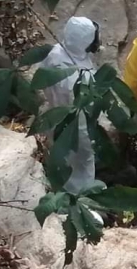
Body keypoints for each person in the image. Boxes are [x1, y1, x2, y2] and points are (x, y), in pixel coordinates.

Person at [39, 17, 102, 194]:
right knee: (83, 162)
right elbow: (86, 106)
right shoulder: (82, 77)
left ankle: (59, 184)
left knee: (61, 156)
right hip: (76, 126)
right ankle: (79, 198)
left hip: (54, 115)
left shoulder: (55, 53)